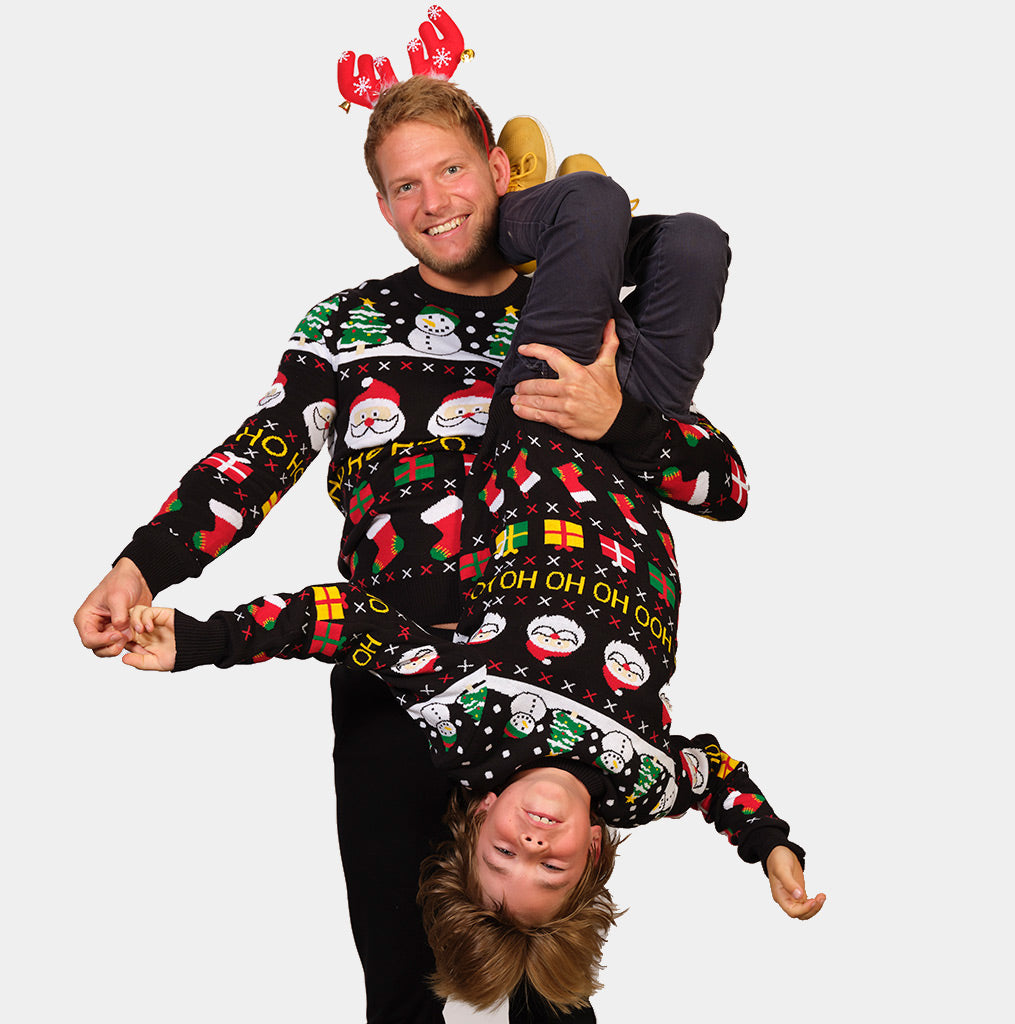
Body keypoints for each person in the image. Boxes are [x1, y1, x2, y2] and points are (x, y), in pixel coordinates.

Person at [74, 72, 737, 1023]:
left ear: (500, 171)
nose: (433, 202)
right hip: (386, 668)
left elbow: (724, 483)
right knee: (402, 972)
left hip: (553, 672)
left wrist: (620, 422)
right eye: (404, 186)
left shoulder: (577, 314)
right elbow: (256, 457)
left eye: (452, 172)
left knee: (543, 977)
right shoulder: (347, 326)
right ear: (382, 206)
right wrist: (142, 564)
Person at [117, 324, 824, 1013]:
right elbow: (713, 778)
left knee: (508, 956)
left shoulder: (469, 719)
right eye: (549, 862)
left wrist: (206, 639)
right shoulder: (640, 782)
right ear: (592, 853)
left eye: (508, 852)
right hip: (421, 654)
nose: (532, 843)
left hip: (467, 596)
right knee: (432, 959)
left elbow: (348, 620)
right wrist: (769, 846)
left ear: (481, 811)